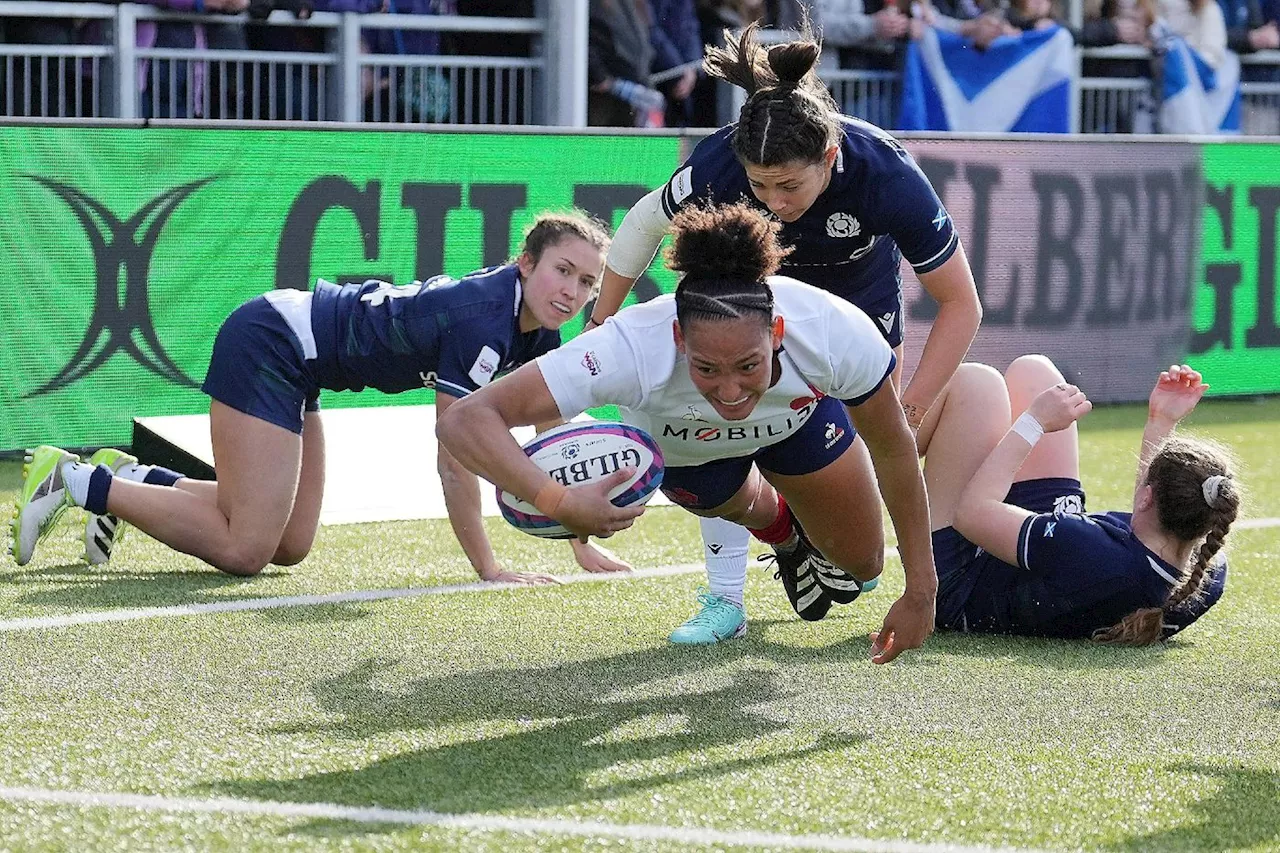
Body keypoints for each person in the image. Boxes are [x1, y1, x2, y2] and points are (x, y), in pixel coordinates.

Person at [584, 22, 981, 644]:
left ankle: (819, 546)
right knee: (719, 424)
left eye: (790, 185)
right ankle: (723, 598)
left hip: (858, 307)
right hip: (746, 293)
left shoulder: (886, 173)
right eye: (760, 186)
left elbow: (962, 304)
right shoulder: (719, 162)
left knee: (859, 544)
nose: (774, 201)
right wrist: (602, 320)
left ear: (829, 158)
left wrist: (910, 406)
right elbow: (641, 225)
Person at [438, 202, 937, 665]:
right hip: (692, 454)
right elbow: (464, 420)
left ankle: (807, 530)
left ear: (778, 333)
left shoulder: (832, 329)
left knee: (863, 567)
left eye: (748, 365)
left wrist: (920, 590)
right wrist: (557, 501)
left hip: (797, 425)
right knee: (746, 504)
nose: (730, 391)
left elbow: (893, 448)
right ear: (678, 338)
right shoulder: (628, 348)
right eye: (706, 368)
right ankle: (785, 535)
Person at [12, 212, 632, 584]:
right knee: (245, 548)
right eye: (563, 270)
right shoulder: (482, 319)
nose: (574, 290)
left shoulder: (536, 329)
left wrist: (578, 536)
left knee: (288, 546)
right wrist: (489, 569)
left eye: (589, 282)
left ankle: (131, 478)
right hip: (272, 342)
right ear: (525, 263)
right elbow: (457, 454)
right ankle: (73, 479)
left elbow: (555, 440)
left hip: (304, 366)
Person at [918, 356, 1237, 641]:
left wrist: (1034, 423)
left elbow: (971, 514)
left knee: (977, 386)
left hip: (964, 582)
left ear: (1147, 497)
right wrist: (1161, 421)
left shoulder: (1092, 550)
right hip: (1052, 563)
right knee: (1036, 373)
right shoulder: (1205, 574)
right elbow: (1149, 523)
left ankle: (882, 445)